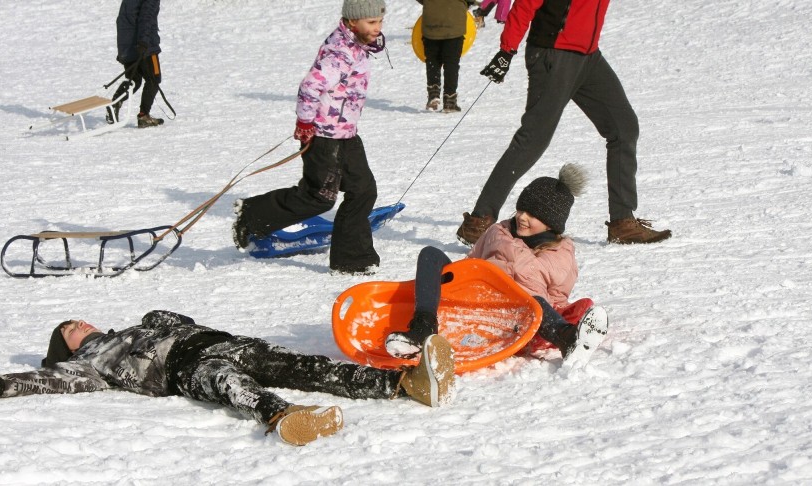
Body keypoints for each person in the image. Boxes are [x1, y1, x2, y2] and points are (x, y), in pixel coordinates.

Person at [0, 310, 455, 446]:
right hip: (181, 368)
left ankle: (402, 385)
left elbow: (177, 316)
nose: (78, 324)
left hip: (224, 340)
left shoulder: (142, 321)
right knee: (223, 379)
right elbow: (44, 382)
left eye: (76, 320)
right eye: (68, 331)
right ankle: (281, 416)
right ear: (66, 351)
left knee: (304, 364)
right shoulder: (89, 364)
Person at [456, 0, 672, 246]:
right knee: (533, 140)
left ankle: (622, 222)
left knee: (624, 127)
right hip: (553, 54)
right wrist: (507, 50)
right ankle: (479, 221)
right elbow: (525, 5)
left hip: (588, 57)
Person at [387, 164, 608, 367]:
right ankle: (423, 326)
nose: (522, 217)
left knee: (534, 301)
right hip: (476, 300)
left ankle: (567, 338)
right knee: (430, 254)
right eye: (521, 209)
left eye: (533, 215)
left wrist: (515, 247)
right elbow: (471, 264)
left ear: (552, 223)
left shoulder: (560, 251)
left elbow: (550, 289)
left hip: (520, 316)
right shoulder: (498, 232)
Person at [232, 0, 386, 275]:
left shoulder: (355, 45)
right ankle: (252, 214)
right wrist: (304, 123)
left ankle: (352, 260)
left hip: (345, 134)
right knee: (319, 197)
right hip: (324, 136)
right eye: (371, 23)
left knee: (363, 190)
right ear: (353, 22)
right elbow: (310, 86)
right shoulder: (340, 52)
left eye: (379, 22)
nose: (378, 28)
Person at [106, 0, 165, 128]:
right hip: (144, 45)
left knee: (134, 80)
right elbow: (147, 17)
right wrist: (144, 42)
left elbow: (122, 19)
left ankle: (115, 103)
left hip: (127, 45)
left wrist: (126, 47)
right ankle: (144, 116)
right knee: (154, 79)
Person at [416, 0, 472, 112]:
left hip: (431, 21)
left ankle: (433, 93)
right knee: (451, 63)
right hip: (454, 21)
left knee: (432, 59)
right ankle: (450, 101)